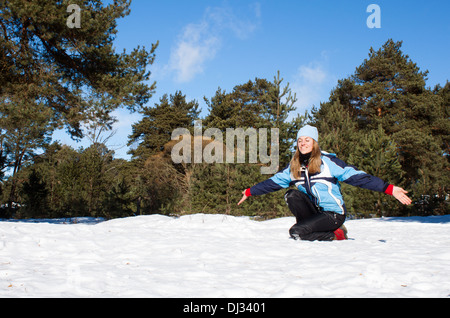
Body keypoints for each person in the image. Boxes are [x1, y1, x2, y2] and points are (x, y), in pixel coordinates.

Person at [238, 125, 412, 241]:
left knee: (296, 233)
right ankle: (308, 227)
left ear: (314, 143)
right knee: (291, 194)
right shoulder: (294, 166)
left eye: (307, 140)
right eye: (300, 140)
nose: (303, 143)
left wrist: (389, 188)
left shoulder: (328, 163)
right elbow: (273, 183)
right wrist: (249, 192)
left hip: (332, 214)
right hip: (315, 213)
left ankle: (336, 234)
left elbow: (358, 177)